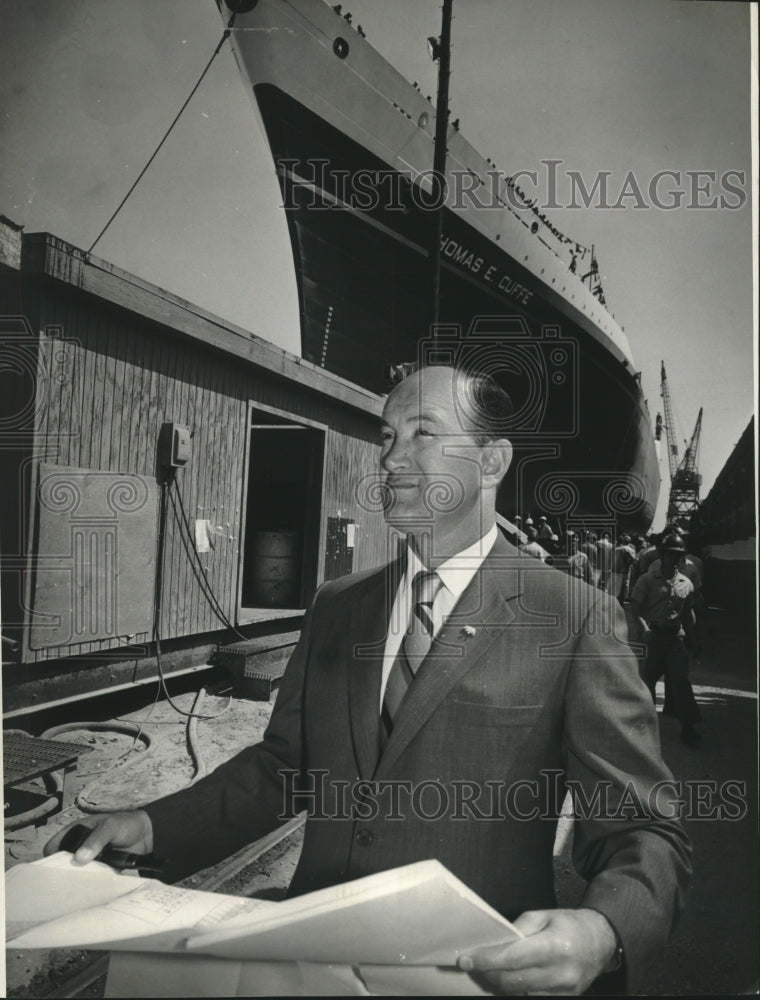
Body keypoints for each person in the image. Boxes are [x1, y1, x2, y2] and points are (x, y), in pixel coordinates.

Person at [46, 364, 690, 995]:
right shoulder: (337, 605)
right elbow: (285, 769)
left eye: (422, 434)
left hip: (469, 976)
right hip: (306, 968)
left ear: (491, 463)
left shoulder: (573, 617)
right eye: (386, 436)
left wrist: (605, 929)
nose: (391, 458)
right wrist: (157, 825)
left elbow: (642, 828)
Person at [630, 533, 702, 747]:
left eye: (680, 554)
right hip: (653, 638)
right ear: (662, 554)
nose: (676, 558)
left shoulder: (685, 583)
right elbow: (636, 609)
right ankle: (644, 727)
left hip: (675, 638)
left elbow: (688, 614)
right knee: (647, 683)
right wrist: (643, 628)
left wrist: (694, 639)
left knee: (681, 681)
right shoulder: (647, 580)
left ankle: (688, 728)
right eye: (671, 554)